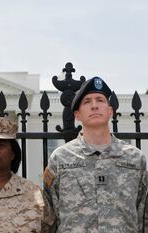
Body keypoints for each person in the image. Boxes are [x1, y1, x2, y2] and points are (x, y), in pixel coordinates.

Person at [43, 77, 148, 232]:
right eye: (86, 102)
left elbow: (144, 214)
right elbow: (48, 216)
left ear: (110, 111)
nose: (94, 106)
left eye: (100, 100)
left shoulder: (135, 158)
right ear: (77, 115)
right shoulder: (60, 158)